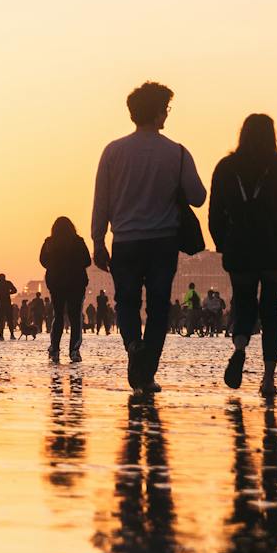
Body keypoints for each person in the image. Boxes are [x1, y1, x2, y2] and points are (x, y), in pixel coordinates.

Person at [91, 81, 206, 392]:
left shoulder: (113, 151)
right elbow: (198, 197)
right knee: (158, 308)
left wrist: (97, 241)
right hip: (162, 242)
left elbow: (101, 199)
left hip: (125, 241)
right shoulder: (177, 153)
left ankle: (132, 346)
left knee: (126, 302)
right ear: (157, 113)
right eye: (165, 109)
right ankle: (147, 372)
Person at [208, 112, 277, 398]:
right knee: (271, 313)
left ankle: (239, 349)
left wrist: (222, 243)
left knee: (244, 304)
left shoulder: (226, 168)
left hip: (240, 250)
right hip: (274, 250)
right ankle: (268, 378)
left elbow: (215, 213)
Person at [41, 216, 91, 364]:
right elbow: (87, 260)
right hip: (76, 284)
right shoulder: (78, 242)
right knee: (75, 318)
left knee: (58, 317)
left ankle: (55, 349)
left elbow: (43, 260)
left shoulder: (49, 242)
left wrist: (54, 266)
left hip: (57, 284)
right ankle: (74, 351)